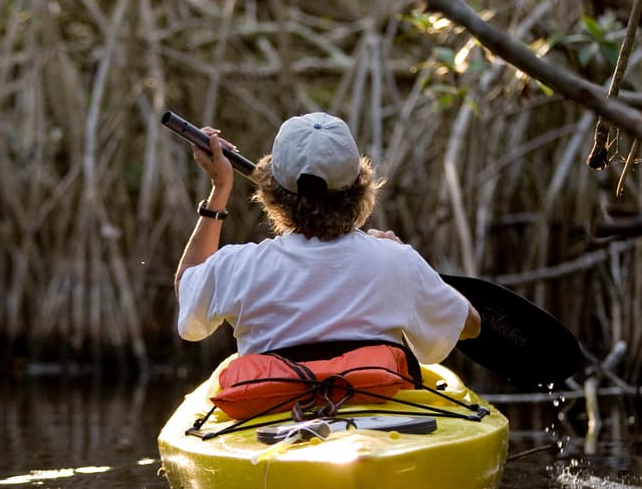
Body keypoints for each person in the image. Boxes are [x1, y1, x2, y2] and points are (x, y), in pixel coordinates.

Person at [174, 112, 480, 367]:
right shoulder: (398, 261)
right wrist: (404, 257)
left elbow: (187, 288)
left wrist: (220, 189)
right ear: (360, 187)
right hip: (373, 427)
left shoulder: (239, 266)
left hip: (275, 424)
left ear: (271, 192)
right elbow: (469, 325)